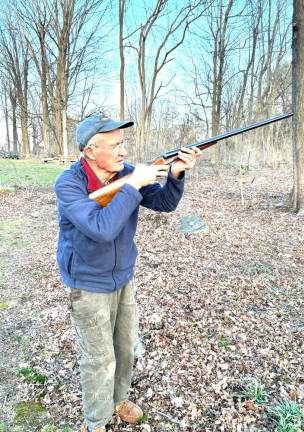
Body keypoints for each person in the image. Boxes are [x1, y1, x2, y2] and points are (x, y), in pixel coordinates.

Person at [54, 114, 201, 432]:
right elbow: (101, 228)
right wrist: (133, 185)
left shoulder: (129, 173)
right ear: (90, 151)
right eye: (115, 144)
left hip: (123, 276)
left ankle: (118, 400)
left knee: (124, 347)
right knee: (98, 357)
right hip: (86, 283)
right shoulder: (69, 184)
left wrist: (175, 174)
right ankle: (95, 421)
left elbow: (163, 203)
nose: (123, 151)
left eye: (124, 143)